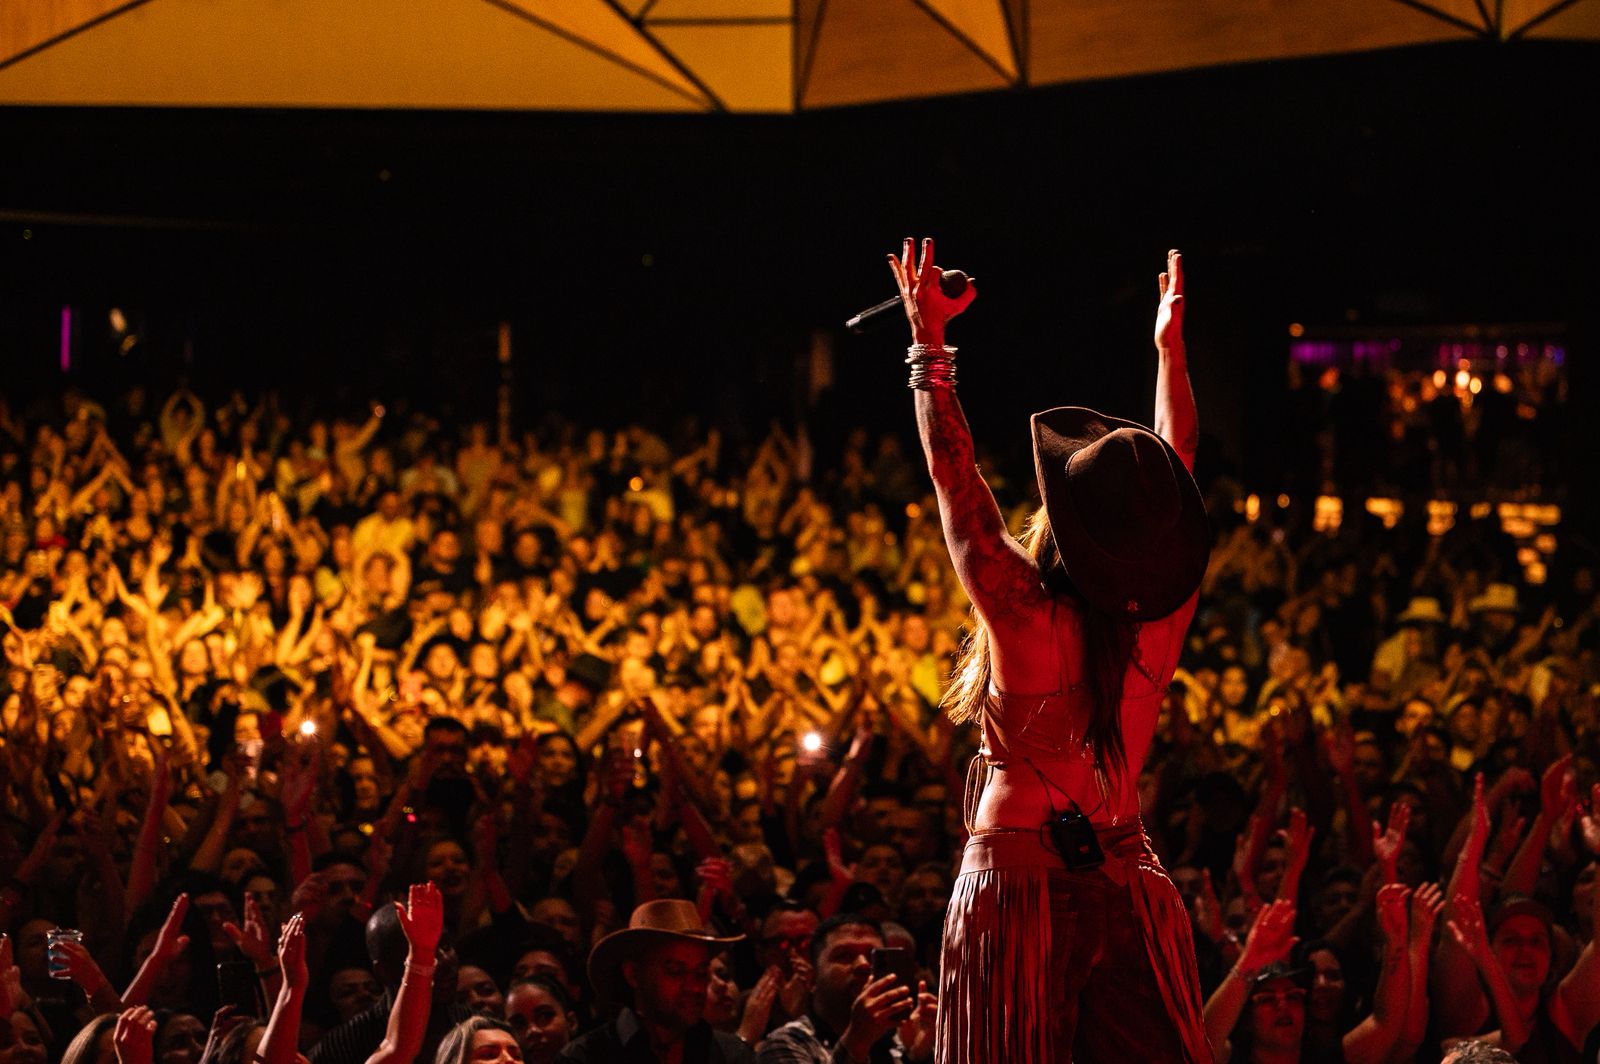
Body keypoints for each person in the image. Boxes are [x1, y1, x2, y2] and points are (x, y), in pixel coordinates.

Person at [887, 238, 1212, 1062]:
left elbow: (955, 482)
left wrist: (930, 345)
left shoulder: (1027, 619)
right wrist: (1170, 354)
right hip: (1127, 877)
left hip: (1020, 882)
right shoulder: (1163, 614)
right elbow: (1179, 465)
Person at [558, 899, 754, 1062]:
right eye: (676, 971)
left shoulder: (732, 1055)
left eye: (701, 973)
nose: (694, 987)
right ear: (633, 974)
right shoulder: (584, 1058)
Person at [756, 913, 935, 1063]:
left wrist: (920, 1058)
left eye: (873, 955)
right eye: (845, 956)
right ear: (812, 978)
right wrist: (858, 1038)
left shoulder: (903, 1040)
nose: (863, 965)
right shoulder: (787, 1043)